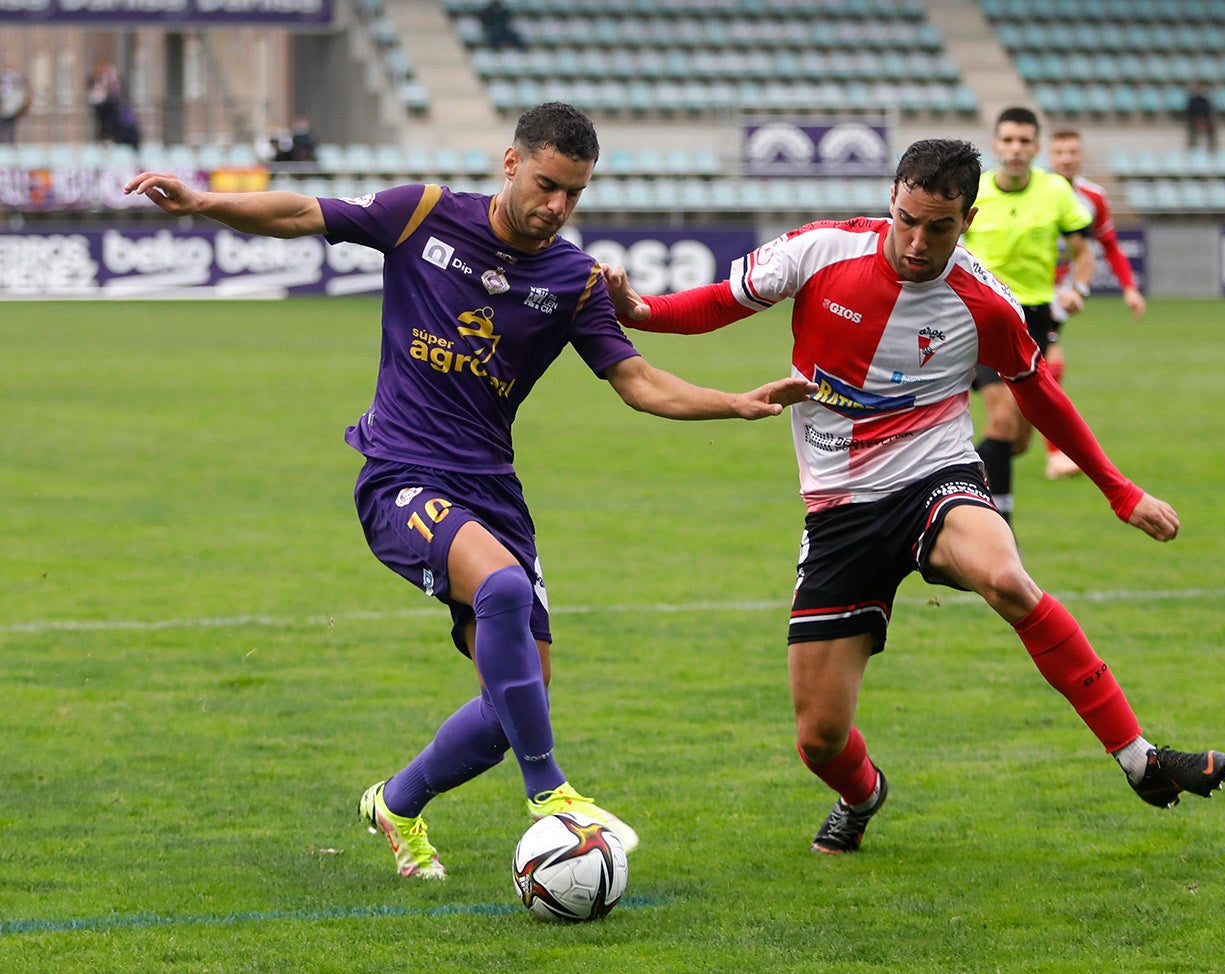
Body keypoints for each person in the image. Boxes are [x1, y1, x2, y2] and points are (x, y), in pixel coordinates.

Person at [124, 102, 814, 879]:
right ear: (511, 163)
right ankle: (551, 794)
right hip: (400, 476)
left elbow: (638, 381)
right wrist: (204, 201)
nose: (556, 206)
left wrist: (737, 402)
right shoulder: (420, 212)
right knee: (504, 589)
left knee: (519, 704)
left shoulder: (575, 279)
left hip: (493, 493)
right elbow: (300, 214)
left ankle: (396, 804)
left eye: (574, 194)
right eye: (547, 184)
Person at [601, 137, 1225, 855]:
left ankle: (1138, 758)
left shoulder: (983, 302)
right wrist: (639, 309)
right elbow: (717, 302)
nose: (917, 241)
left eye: (938, 227)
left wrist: (1120, 493)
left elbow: (1043, 397)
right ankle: (862, 793)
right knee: (819, 737)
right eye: (906, 219)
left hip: (935, 476)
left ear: (966, 221)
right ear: (891, 201)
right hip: (839, 509)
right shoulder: (819, 251)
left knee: (1005, 577)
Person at [960, 106, 1094, 525]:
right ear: (996, 145)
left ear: (1037, 147)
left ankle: (941, 482)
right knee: (1000, 421)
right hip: (982, 317)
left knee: (1016, 441)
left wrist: (1078, 288)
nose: (1016, 149)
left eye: (1024, 142)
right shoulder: (974, 191)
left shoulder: (1056, 192)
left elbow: (1083, 252)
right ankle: (1002, 531)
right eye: (1008, 141)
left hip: (1034, 321)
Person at [1042, 127, 1147, 480]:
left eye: (1073, 152)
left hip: (1060, 295)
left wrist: (1129, 288)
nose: (1067, 158)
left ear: (1081, 155)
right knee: (1043, 369)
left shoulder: (1093, 197)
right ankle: (1045, 453)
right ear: (1050, 156)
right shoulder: (1033, 191)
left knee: (1043, 368)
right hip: (1027, 290)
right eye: (1060, 152)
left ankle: (1046, 452)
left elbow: (1110, 245)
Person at [0, 65, 30, 145]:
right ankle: (8, 143)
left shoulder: (10, 79)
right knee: (9, 128)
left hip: (9, 109)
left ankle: (7, 143)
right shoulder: (16, 79)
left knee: (7, 127)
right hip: (10, 109)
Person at [1184, 82, 1217, 152]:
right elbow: (1189, 112)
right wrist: (1196, 119)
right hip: (1194, 120)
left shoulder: (1204, 100)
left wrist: (1203, 119)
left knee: (1211, 129)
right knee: (1192, 131)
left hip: (1205, 119)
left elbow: (1207, 111)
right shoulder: (1192, 100)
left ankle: (1213, 148)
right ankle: (1192, 148)